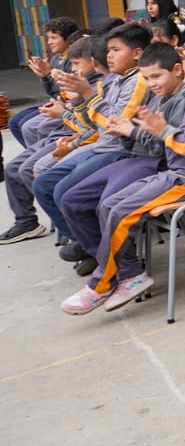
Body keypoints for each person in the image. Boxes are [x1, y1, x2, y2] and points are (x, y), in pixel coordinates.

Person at [60, 44, 185, 315]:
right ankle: (130, 274)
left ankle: (102, 283)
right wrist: (153, 129)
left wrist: (164, 131)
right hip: (176, 175)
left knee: (122, 212)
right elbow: (178, 140)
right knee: (111, 203)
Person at [57, 43, 185, 273]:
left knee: (107, 205)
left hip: (158, 165)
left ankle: (125, 268)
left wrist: (132, 132)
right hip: (134, 157)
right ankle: (104, 257)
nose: (153, 84)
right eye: (148, 79)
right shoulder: (158, 98)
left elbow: (166, 146)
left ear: (178, 70)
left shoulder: (183, 100)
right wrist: (124, 131)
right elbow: (138, 135)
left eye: (157, 76)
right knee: (71, 199)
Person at [32, 22, 151, 271]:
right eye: (108, 50)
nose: (108, 56)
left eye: (116, 50)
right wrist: (77, 101)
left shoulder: (138, 80)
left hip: (120, 150)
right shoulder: (117, 79)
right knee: (44, 183)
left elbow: (115, 124)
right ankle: (89, 247)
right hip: (103, 146)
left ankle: (107, 258)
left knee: (67, 192)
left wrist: (86, 96)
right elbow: (94, 123)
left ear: (137, 53)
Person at [0, 36, 101, 245]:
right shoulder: (74, 76)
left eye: (76, 63)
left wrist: (64, 114)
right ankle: (27, 222)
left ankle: (77, 236)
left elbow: (94, 127)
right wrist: (47, 79)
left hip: (81, 138)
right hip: (66, 133)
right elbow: (60, 100)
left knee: (34, 169)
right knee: (13, 168)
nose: (72, 69)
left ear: (94, 61)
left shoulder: (96, 85)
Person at [8, 16, 80, 150]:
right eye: (48, 38)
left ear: (67, 39)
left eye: (54, 38)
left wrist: (48, 74)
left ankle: (39, 152)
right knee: (14, 121)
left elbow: (66, 92)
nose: (49, 42)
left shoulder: (73, 61)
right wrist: (44, 77)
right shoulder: (55, 59)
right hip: (55, 99)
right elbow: (51, 91)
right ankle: (31, 151)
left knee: (28, 125)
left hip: (67, 104)